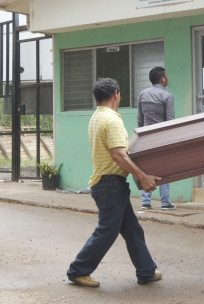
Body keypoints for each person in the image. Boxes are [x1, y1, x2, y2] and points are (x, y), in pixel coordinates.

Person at [66, 78, 163, 288]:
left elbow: (117, 153)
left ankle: (146, 271)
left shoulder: (97, 117)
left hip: (107, 183)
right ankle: (78, 270)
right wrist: (144, 176)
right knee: (107, 230)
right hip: (110, 184)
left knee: (132, 230)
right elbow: (119, 154)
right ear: (116, 94)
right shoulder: (112, 120)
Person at [137, 66, 176, 210]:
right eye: (166, 76)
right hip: (161, 137)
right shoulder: (167, 96)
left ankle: (145, 202)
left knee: (145, 167)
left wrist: (142, 133)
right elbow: (170, 121)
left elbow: (140, 119)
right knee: (163, 169)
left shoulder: (142, 94)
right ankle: (165, 202)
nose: (167, 79)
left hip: (145, 136)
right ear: (162, 79)